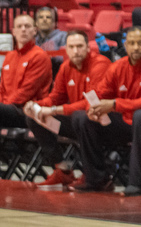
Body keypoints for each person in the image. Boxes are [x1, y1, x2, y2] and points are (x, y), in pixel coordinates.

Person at [71, 26, 141, 194]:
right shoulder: (118, 66)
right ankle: (97, 179)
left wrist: (114, 104)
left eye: (140, 43)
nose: (136, 47)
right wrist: (92, 109)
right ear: (125, 45)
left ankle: (138, 184)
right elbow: (99, 92)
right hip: (124, 121)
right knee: (81, 117)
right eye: (131, 43)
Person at [24, 29, 111, 190]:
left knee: (82, 117)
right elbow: (55, 97)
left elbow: (91, 104)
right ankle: (62, 169)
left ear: (88, 48)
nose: (76, 51)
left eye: (79, 46)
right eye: (71, 47)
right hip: (77, 121)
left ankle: (95, 176)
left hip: (101, 121)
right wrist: (38, 106)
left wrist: (54, 110)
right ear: (66, 49)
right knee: (34, 118)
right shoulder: (65, 67)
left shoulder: (100, 64)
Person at [0, 13, 52, 128]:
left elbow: (27, 91)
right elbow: (2, 88)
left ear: (35, 31)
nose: (23, 30)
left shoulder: (40, 56)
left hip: (27, 111)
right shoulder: (10, 56)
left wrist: (4, 105)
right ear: (13, 31)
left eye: (27, 26)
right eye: (19, 26)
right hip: (7, 109)